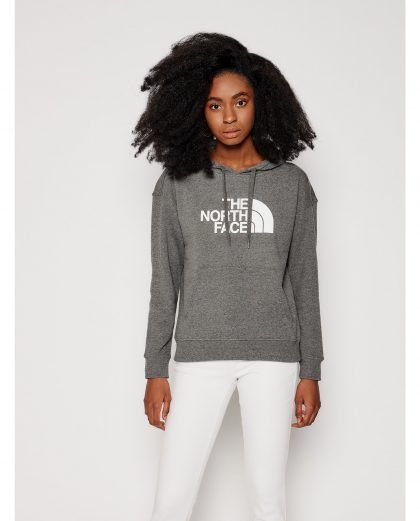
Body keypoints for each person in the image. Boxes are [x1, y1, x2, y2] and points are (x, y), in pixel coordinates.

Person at [131, 32, 324, 521]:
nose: (230, 117)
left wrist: (311, 370)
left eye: (240, 102)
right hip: (200, 352)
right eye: (215, 105)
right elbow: (164, 281)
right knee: (171, 502)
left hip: (274, 357)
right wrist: (155, 368)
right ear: (198, 111)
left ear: (261, 103)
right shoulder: (177, 185)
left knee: (268, 500)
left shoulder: (292, 185)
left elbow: (305, 280)